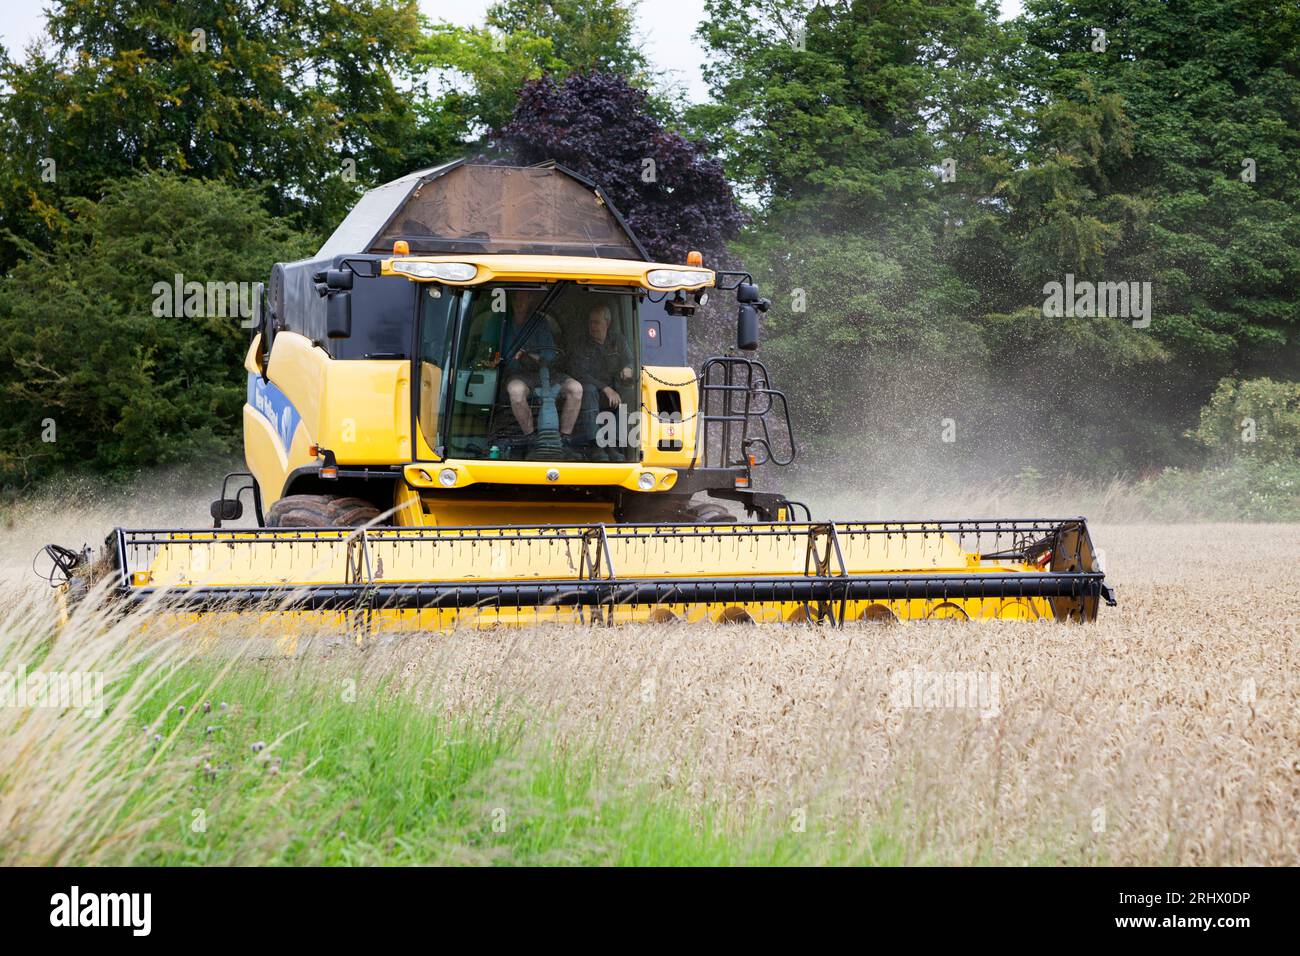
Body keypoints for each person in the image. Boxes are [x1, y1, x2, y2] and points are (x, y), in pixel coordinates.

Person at [496, 289, 583, 440]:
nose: (519, 303)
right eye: (516, 299)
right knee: (516, 391)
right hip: (519, 375)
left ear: (530, 300)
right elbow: (493, 351)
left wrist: (528, 354)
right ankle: (530, 437)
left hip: (548, 373)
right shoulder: (502, 322)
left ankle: (564, 438)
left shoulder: (540, 323)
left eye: (523, 299)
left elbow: (549, 355)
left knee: (576, 389)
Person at [565, 303, 634, 457]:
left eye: (597, 322)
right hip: (593, 389)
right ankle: (595, 445)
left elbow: (630, 360)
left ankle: (614, 445)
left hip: (613, 387)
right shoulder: (581, 344)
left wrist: (628, 368)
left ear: (607, 324)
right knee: (588, 390)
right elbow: (579, 373)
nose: (593, 326)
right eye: (591, 322)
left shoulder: (617, 340)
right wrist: (605, 388)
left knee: (629, 392)